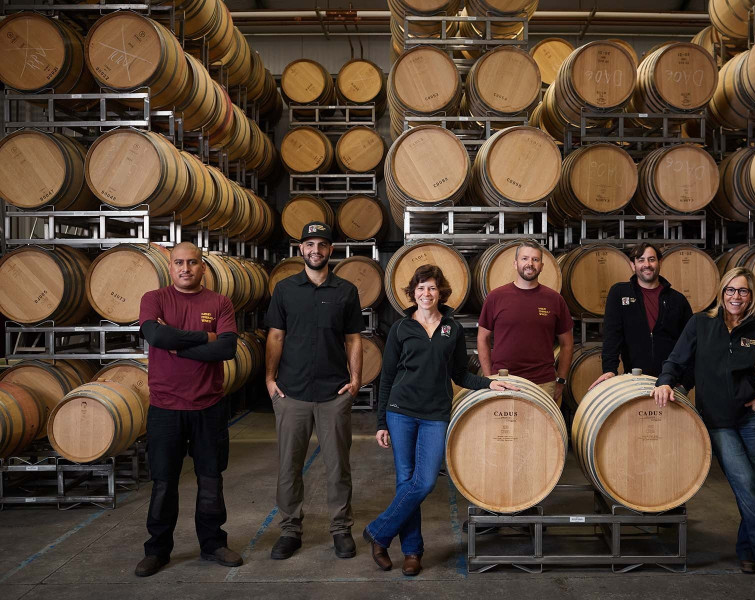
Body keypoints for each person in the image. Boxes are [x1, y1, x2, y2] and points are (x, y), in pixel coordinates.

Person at [363, 265, 518, 576]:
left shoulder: (452, 329)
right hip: (400, 412)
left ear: (440, 293)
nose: (426, 293)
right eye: (420, 288)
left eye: (432, 288)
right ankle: (412, 552)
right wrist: (381, 422)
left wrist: (489, 383)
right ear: (413, 293)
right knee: (406, 481)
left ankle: (378, 533)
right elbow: (387, 377)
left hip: (435, 414)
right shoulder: (401, 328)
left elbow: (460, 374)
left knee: (425, 482)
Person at [652, 267, 755, 584]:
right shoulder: (701, 323)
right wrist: (665, 381)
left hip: (752, 417)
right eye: (730, 290)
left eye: (742, 291)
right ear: (721, 292)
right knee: (745, 482)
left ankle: (749, 553)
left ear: (750, 296)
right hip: (718, 421)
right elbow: (676, 359)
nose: (735, 297)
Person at [135, 242, 241, 577]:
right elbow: (155, 336)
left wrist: (179, 346)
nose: (186, 268)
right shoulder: (154, 299)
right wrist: (204, 338)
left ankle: (213, 544)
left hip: (209, 406)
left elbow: (226, 349)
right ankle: (157, 550)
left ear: (202, 267)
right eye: (179, 262)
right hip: (165, 407)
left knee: (210, 479)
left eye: (192, 262)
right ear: (170, 267)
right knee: (163, 482)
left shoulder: (219, 302)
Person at [265, 221, 364, 561]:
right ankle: (290, 530)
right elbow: (275, 336)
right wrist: (269, 379)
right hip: (291, 392)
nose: (315, 250)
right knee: (289, 467)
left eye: (322, 244)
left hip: (334, 392)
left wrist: (355, 380)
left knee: (338, 467)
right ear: (301, 249)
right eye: (309, 244)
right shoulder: (285, 289)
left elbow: (353, 338)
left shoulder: (346, 291)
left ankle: (340, 529)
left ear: (330, 250)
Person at [477, 239, 574, 406]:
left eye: (535, 259)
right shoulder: (496, 297)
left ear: (541, 266)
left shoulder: (554, 299)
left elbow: (567, 344)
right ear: (515, 264)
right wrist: (488, 378)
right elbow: (482, 338)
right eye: (525, 259)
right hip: (503, 380)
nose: (530, 264)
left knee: (544, 425)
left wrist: (561, 380)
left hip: (543, 383)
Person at [590, 242, 693, 389]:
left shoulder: (677, 300)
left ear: (660, 262)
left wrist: (685, 383)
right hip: (634, 382)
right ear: (633, 265)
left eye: (651, 259)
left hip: (669, 385)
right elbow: (612, 336)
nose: (647, 265)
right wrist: (609, 370)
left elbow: (690, 344)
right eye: (641, 260)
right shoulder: (619, 293)